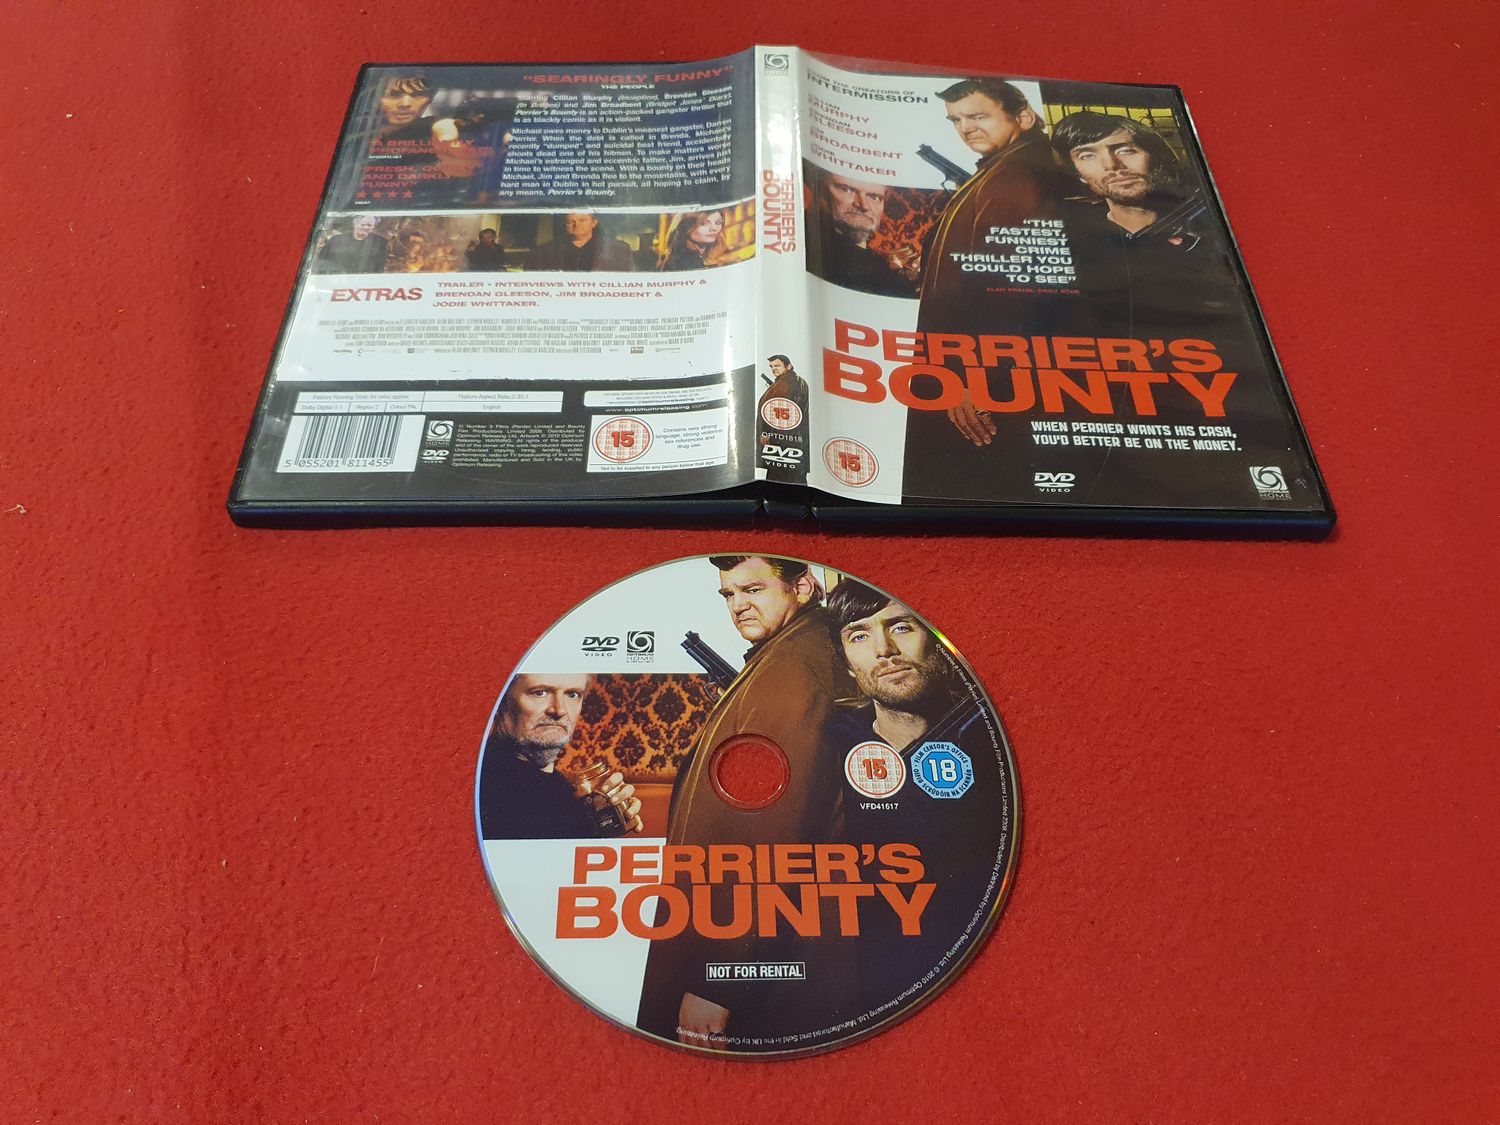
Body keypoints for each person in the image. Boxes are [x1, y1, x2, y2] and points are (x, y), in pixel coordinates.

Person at [636, 556, 855, 1050]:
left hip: (759, 958)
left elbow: (770, 830)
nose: (737, 606)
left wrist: (717, 980)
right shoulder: (789, 653)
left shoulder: (792, 666)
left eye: (753, 590)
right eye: (729, 595)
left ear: (803, 587)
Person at [904, 78, 1074, 490]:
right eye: (956, 120)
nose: (966, 129)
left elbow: (1011, 290)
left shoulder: (1019, 173)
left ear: (1024, 118)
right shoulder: (1002, 168)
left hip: (985, 381)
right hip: (976, 368)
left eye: (978, 116)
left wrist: (967, 377)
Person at [1050, 111, 1237, 331]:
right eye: (1087, 155)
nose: (1112, 165)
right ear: (1079, 174)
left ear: (1157, 157)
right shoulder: (1072, 240)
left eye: (1125, 150)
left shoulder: (1212, 226)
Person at [477, 673, 641, 840]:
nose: (559, 710)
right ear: (498, 702)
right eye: (540, 693)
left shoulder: (559, 786)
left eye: (572, 694)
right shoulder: (483, 785)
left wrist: (603, 825)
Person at [825, 579, 980, 753]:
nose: (884, 650)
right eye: (859, 637)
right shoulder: (830, 750)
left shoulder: (983, 725)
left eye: (901, 628)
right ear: (847, 663)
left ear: (939, 642)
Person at [807, 170, 915, 297]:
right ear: (821, 193)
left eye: (874, 197)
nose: (864, 205)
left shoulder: (881, 269)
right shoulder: (810, 246)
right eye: (847, 190)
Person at [526, 213, 635, 271]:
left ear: (594, 223)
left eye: (582, 220)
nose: (576, 225)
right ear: (565, 225)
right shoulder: (541, 252)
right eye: (570, 221)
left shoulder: (619, 250)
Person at [315, 215, 389, 274]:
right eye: (362, 225)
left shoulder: (381, 242)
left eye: (370, 225)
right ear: (355, 224)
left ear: (374, 226)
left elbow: (380, 267)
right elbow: (322, 262)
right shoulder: (336, 240)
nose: (366, 227)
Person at [658, 210, 726, 270]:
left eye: (718, 223)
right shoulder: (688, 259)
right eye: (705, 224)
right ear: (687, 227)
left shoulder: (682, 253)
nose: (714, 228)